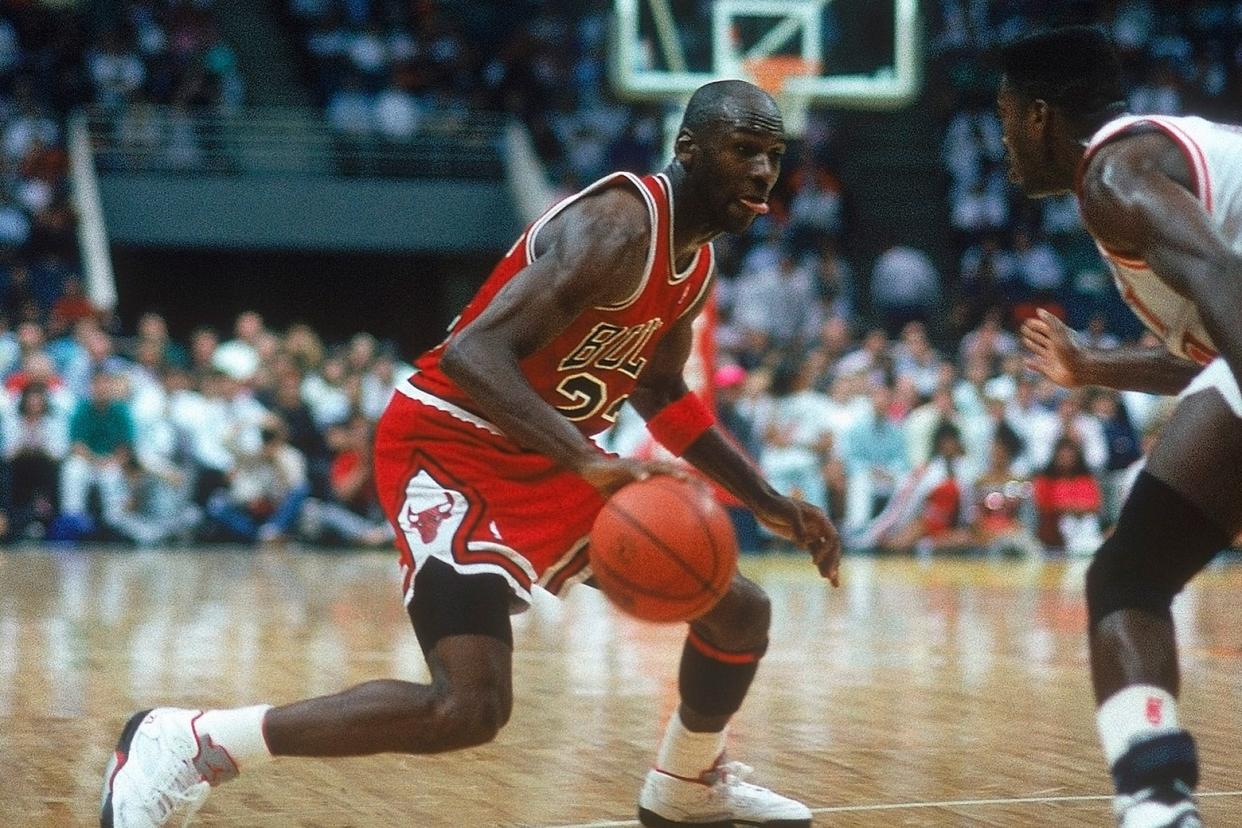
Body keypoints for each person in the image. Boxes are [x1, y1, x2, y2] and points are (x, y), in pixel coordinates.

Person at [100, 80, 840, 828]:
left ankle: (686, 787)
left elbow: (660, 392)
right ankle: (188, 743)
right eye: (744, 150)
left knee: (739, 612)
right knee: (469, 706)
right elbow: (470, 354)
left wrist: (771, 502)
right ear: (689, 150)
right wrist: (584, 459)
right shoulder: (619, 228)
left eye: (773, 156)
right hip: (450, 444)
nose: (762, 172)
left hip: (546, 453)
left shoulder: (694, 263)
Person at [999, 26, 1242, 827]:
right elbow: (1214, 360)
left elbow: (1221, 277)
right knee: (1126, 577)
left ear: (1038, 117)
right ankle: (1156, 802)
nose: (1002, 146)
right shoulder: (1143, 177)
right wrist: (1093, 368)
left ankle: (1155, 805)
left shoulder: (1113, 172)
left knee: (1128, 580)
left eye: (1005, 122)